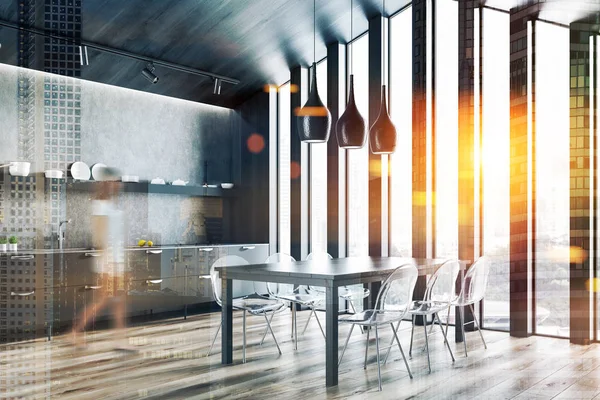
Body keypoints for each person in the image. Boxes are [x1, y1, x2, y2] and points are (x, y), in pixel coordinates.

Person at [71, 167, 130, 351]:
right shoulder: (99, 205)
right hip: (108, 261)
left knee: (118, 301)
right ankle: (75, 332)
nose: (118, 185)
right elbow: (99, 237)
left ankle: (120, 340)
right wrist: (110, 262)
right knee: (103, 300)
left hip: (117, 259)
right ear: (106, 183)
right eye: (115, 181)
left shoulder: (111, 204)